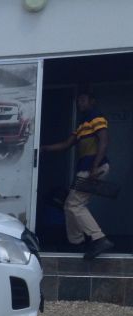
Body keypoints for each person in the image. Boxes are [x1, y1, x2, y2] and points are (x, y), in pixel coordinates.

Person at [42, 92, 114, 259]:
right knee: (69, 206)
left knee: (75, 205)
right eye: (77, 101)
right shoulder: (82, 124)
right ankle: (76, 242)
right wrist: (43, 148)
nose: (78, 104)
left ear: (92, 101)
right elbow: (66, 144)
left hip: (93, 168)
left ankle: (99, 239)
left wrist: (95, 168)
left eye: (82, 100)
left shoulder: (96, 117)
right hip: (86, 168)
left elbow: (104, 141)